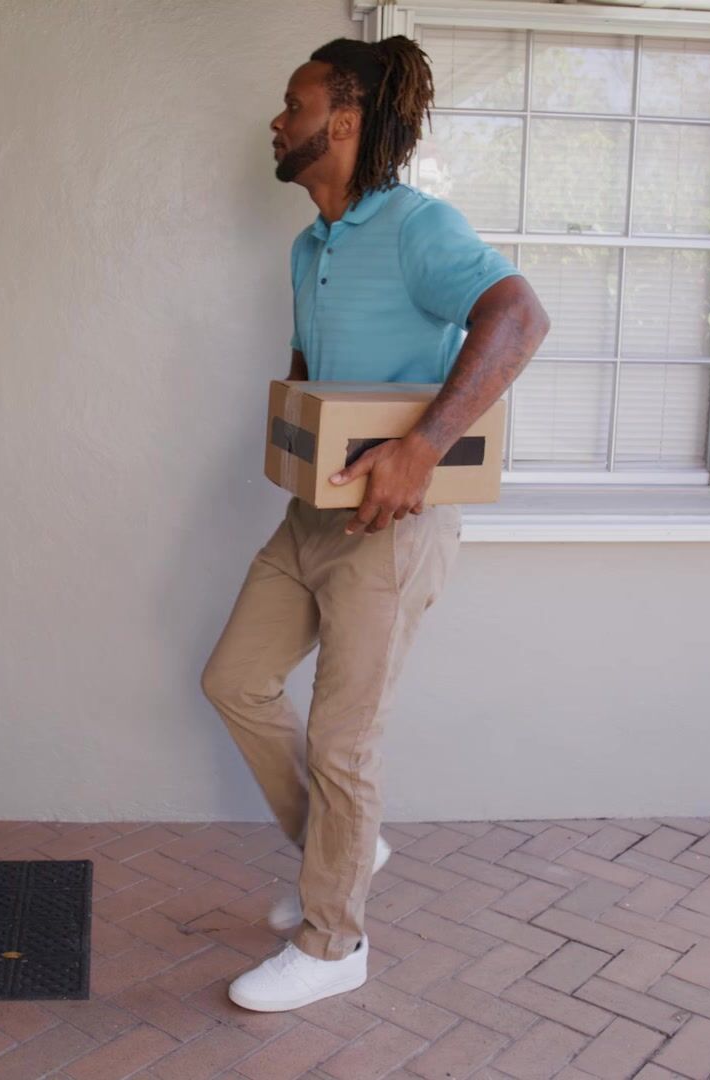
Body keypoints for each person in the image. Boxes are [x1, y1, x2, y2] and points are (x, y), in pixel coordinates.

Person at [202, 35, 551, 1012]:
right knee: (234, 681)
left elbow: (519, 317)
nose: (279, 121)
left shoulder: (414, 227)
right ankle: (345, 848)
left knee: (342, 742)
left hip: (392, 529)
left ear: (345, 120)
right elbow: (313, 370)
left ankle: (334, 942)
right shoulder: (309, 245)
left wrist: (422, 447)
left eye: (295, 103)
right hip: (310, 516)